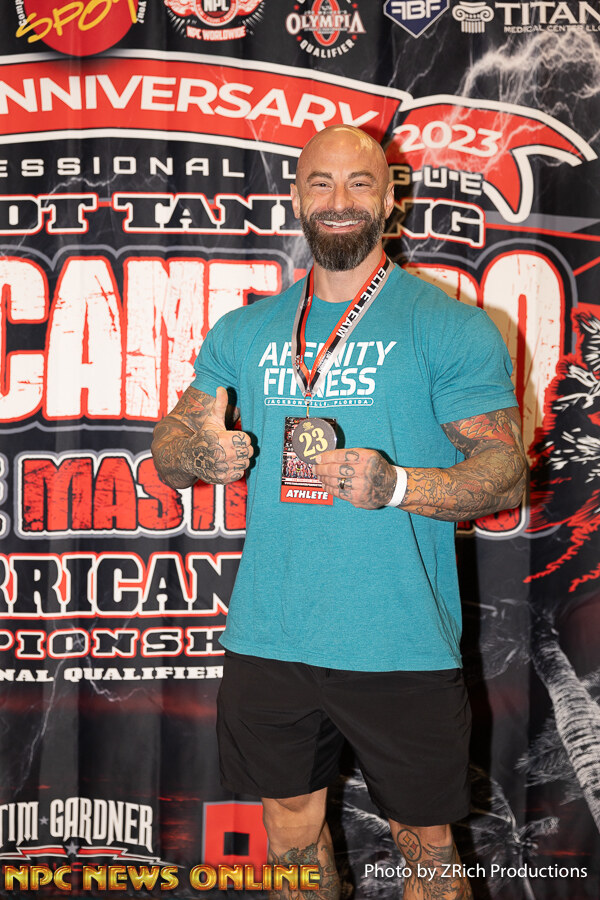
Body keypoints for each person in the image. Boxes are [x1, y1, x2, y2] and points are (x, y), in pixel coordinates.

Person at [152, 125, 527, 900]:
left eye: (360, 183)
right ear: (297, 196)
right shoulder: (245, 330)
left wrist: (397, 486)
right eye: (320, 182)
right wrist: (199, 454)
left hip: (400, 640)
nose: (339, 199)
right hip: (271, 635)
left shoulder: (448, 324)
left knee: (428, 849)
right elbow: (169, 449)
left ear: (390, 201)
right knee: (290, 836)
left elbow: (505, 474)